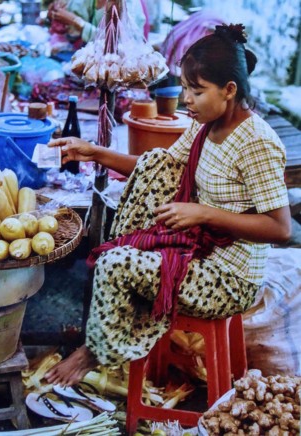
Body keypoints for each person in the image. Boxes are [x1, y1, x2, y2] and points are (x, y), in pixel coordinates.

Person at [45, 24, 291, 387]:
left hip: (230, 278)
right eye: (186, 88)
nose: (185, 99)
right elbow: (153, 165)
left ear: (229, 90)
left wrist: (204, 213)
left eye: (196, 90)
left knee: (116, 265)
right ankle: (104, 342)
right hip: (199, 249)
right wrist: (94, 152)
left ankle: (96, 351)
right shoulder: (205, 123)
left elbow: (281, 228)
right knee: (161, 167)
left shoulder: (257, 143)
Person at [48, 0, 146, 44]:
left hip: (122, 71)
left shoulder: (128, 4)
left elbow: (117, 45)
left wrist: (77, 22)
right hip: (96, 65)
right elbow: (73, 33)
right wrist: (58, 17)